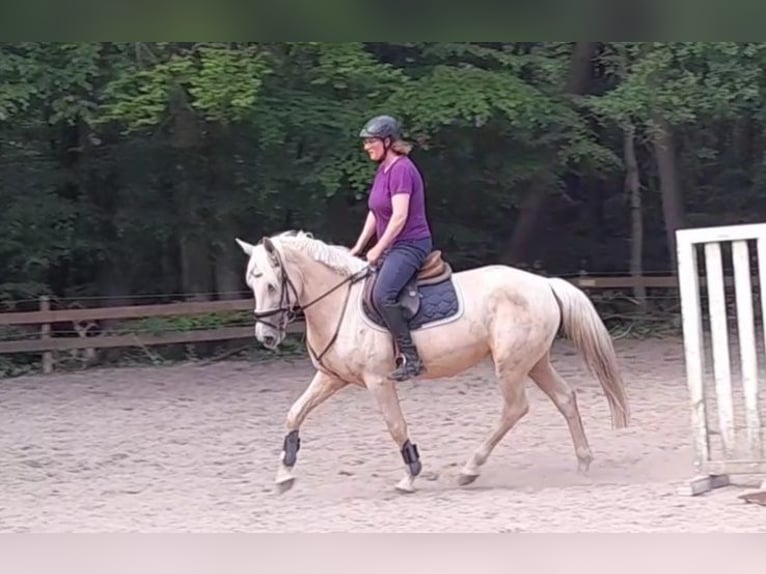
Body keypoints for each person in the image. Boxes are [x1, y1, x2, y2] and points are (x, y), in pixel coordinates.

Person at [350, 114, 433, 382]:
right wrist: (359, 247)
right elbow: (375, 212)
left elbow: (399, 217)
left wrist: (378, 249)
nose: (367, 147)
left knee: (383, 294)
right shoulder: (383, 170)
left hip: (411, 244)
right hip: (394, 245)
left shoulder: (401, 169)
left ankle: (412, 358)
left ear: (388, 141)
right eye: (366, 142)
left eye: (371, 141)